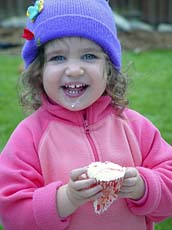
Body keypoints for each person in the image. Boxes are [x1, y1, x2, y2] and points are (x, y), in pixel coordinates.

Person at [0, 0, 172, 229]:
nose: (73, 70)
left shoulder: (135, 126)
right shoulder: (29, 136)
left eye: (89, 56)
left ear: (109, 69)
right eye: (58, 57)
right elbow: (11, 213)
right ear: (38, 71)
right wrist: (66, 199)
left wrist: (144, 186)